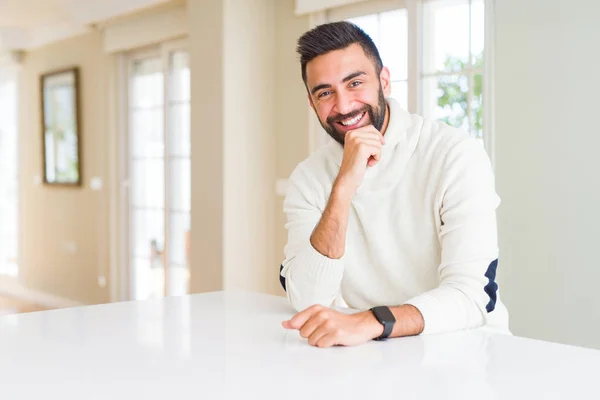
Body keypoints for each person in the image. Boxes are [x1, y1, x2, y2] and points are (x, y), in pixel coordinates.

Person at [279, 21, 509, 348]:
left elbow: (472, 296)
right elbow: (306, 298)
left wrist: (371, 321)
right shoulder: (309, 177)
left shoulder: (455, 154)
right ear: (311, 102)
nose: (343, 107)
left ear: (384, 81)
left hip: (470, 351)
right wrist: (343, 187)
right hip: (380, 355)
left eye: (355, 83)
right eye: (325, 92)